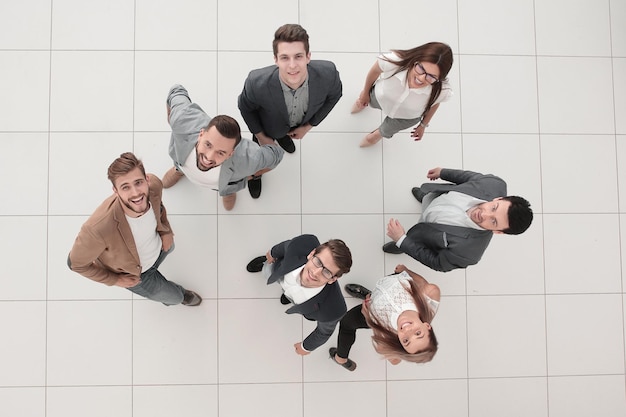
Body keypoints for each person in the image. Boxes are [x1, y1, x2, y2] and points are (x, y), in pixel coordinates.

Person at [67, 152, 202, 306]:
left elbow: (160, 208)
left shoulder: (154, 186)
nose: (136, 193)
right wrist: (115, 280)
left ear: (147, 180)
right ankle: (179, 296)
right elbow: (75, 263)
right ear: (115, 191)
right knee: (174, 297)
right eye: (125, 187)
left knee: (171, 248)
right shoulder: (98, 228)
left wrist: (165, 231)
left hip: (158, 249)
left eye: (138, 183)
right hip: (136, 275)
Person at [238, 23, 342, 197]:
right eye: (285, 57)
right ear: (275, 59)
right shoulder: (256, 82)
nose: (292, 65)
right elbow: (245, 107)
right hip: (267, 128)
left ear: (308, 56)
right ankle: (254, 175)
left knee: (283, 131)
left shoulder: (328, 73)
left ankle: (283, 136)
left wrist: (308, 126)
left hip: (297, 124)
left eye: (298, 56)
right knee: (260, 155)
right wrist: (262, 137)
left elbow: (335, 96)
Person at [383, 167, 533, 272]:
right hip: (438, 198)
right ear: (498, 198)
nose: (484, 214)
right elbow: (467, 177)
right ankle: (424, 199)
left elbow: (437, 263)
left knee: (407, 241)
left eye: (493, 221)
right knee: (428, 198)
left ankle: (399, 246)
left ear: (499, 232)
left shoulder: (468, 253)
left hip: (425, 233)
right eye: (494, 207)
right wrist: (443, 172)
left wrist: (402, 240)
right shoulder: (494, 184)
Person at [162, 84, 284, 210]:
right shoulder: (182, 119)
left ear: (231, 153)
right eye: (208, 144)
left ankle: (228, 192)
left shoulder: (248, 157)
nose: (208, 158)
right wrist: (172, 121)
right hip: (181, 160)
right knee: (183, 166)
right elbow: (176, 90)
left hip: (226, 182)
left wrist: (252, 175)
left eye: (220, 153)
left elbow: (276, 155)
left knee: (228, 189)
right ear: (201, 134)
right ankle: (180, 170)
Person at [246, 234, 352, 355]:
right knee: (267, 271)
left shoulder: (334, 310)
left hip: (305, 303)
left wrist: (306, 347)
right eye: (318, 262)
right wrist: (272, 253)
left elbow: (324, 332)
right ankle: (265, 264)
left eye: (327, 272)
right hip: (280, 271)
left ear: (333, 279)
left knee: (292, 298)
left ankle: (289, 296)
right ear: (311, 254)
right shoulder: (304, 243)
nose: (315, 272)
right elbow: (286, 246)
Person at [329, 264, 440, 371]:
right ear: (427, 326)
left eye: (406, 340)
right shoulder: (429, 295)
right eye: (418, 333)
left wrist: (368, 316)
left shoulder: (388, 334)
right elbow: (422, 282)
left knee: (346, 323)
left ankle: (341, 358)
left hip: (376, 315)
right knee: (377, 297)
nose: (407, 331)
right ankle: (371, 296)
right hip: (392, 286)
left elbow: (394, 360)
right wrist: (406, 271)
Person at [351, 42, 453, 147]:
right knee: (368, 101)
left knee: (386, 130)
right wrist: (365, 93)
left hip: (406, 117)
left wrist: (423, 125)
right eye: (421, 68)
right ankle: (362, 102)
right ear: (415, 60)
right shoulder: (394, 61)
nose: (421, 78)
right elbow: (375, 71)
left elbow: (435, 103)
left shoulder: (443, 91)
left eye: (431, 77)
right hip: (380, 97)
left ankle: (374, 136)